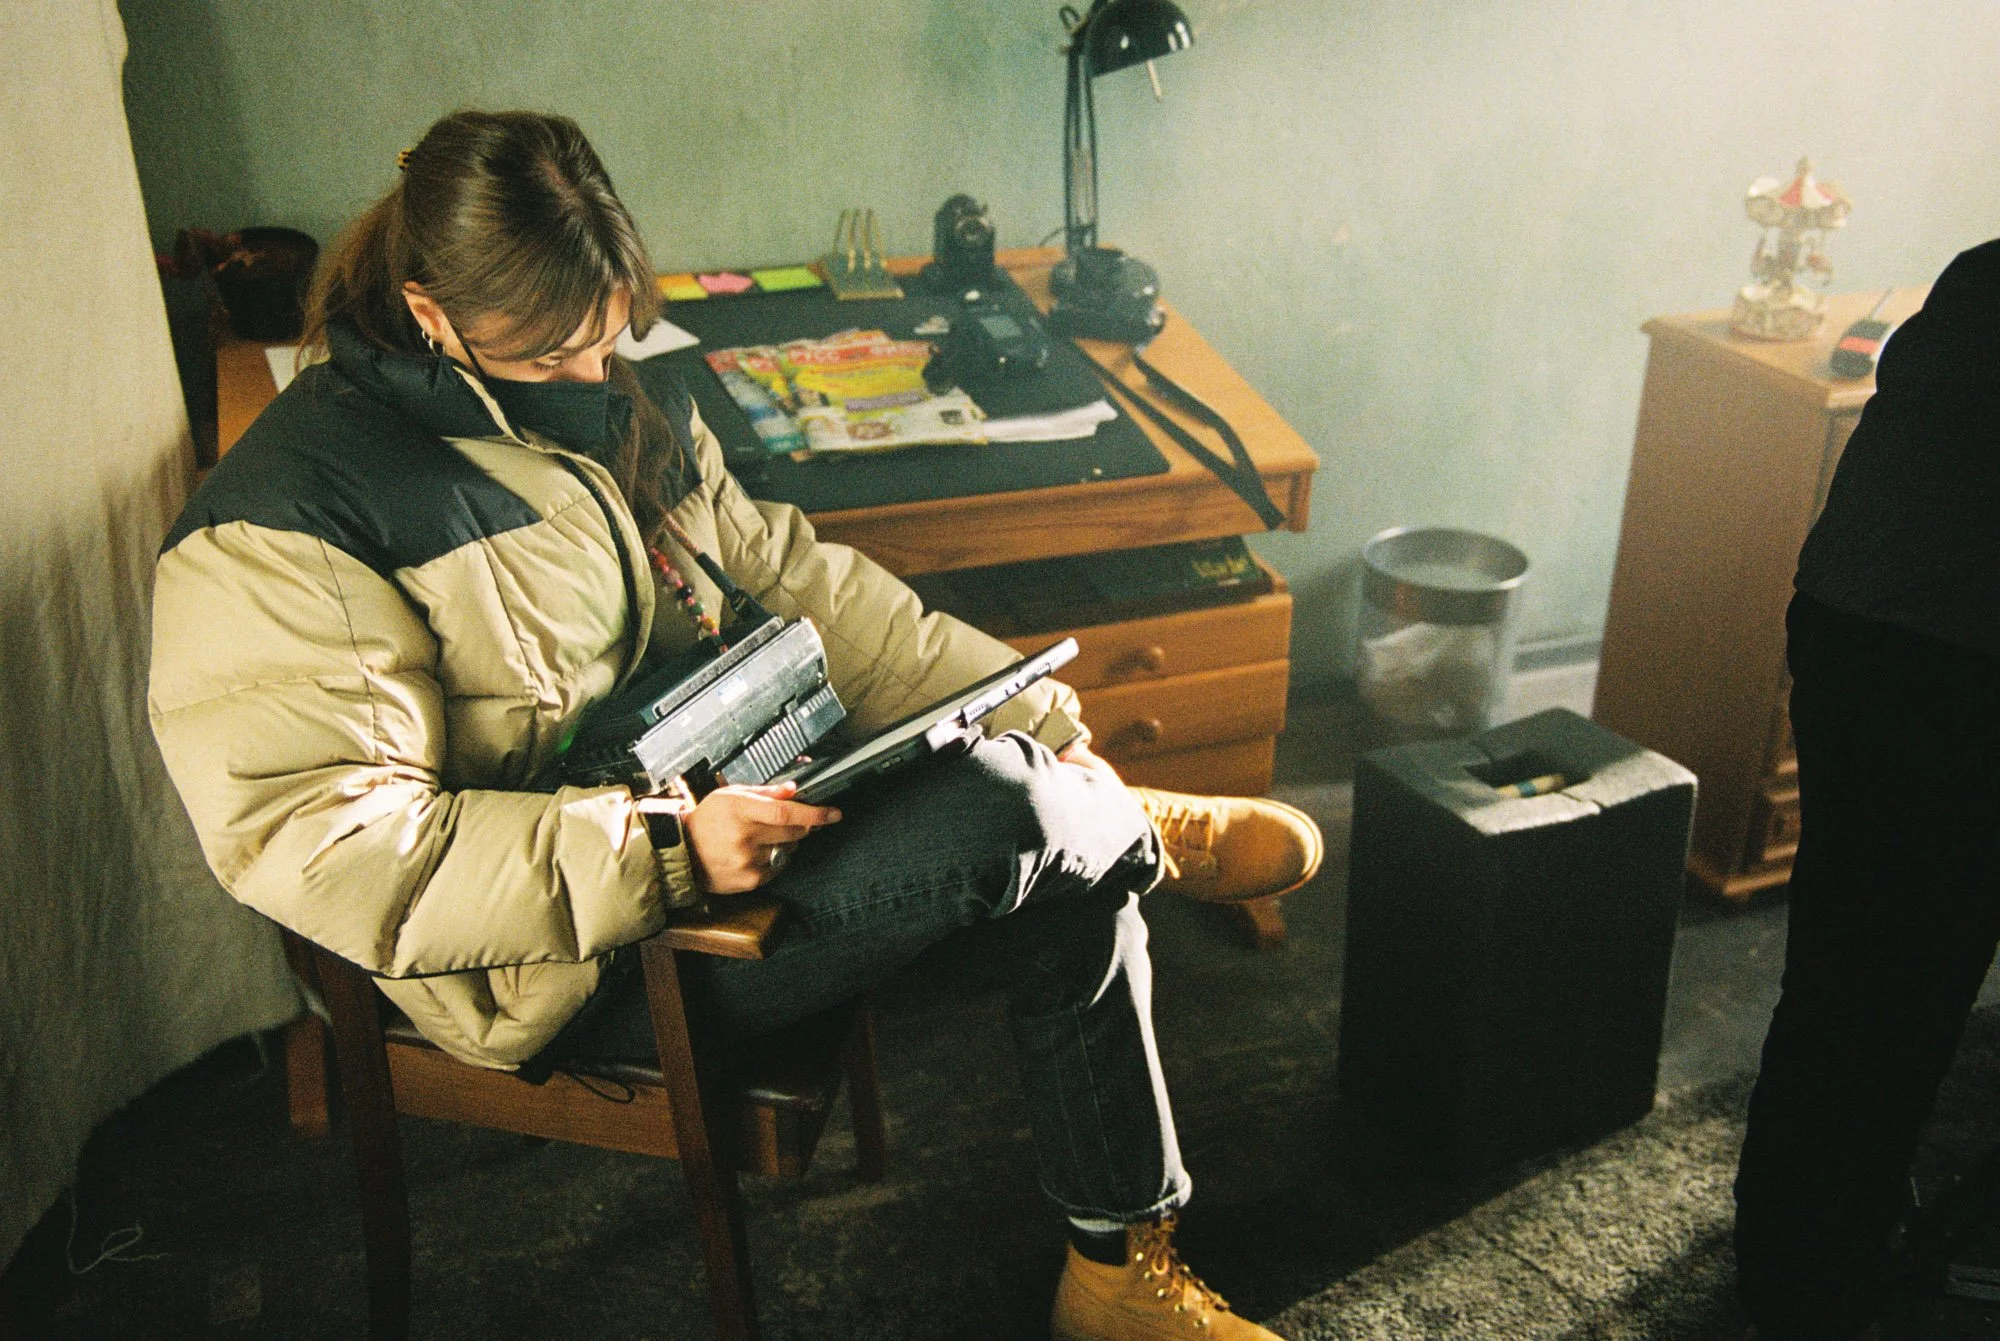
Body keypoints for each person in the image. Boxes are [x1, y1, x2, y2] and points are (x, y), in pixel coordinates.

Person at [148, 109, 1322, 1340]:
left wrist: (1032, 705)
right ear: (432, 312)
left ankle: (1113, 1266)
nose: (595, 378)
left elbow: (799, 584)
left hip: (745, 800)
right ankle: (1126, 836)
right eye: (553, 353)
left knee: (1053, 838)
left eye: (610, 336)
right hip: (566, 955)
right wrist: (662, 850)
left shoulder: (615, 399)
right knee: (1020, 815)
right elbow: (334, 850)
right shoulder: (283, 527)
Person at [1734, 237, 2000, 1339]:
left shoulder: (1981, 272)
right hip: (1947, 663)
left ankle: (1799, 1247)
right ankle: (1823, 1274)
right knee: (1895, 987)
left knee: (1850, 977)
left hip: (1859, 631)